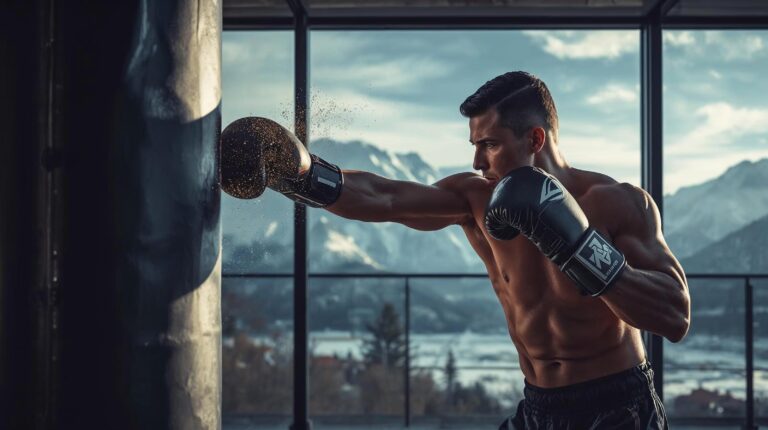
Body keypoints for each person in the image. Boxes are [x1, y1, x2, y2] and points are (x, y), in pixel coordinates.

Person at [220, 71, 690, 429]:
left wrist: (581, 246)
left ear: (535, 139)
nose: (476, 161)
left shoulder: (617, 203)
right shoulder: (477, 198)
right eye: (473, 145)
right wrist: (302, 175)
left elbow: (675, 315)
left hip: (617, 406)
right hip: (539, 405)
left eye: (488, 144)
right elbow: (387, 198)